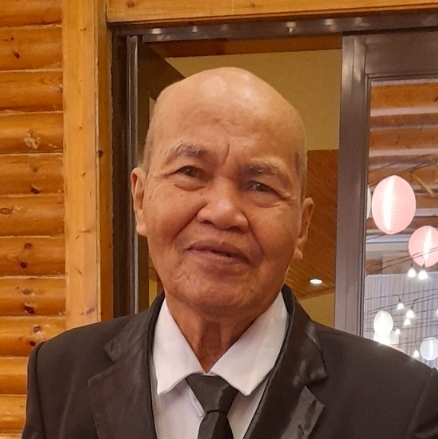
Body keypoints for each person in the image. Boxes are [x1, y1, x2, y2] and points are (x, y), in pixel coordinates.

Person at [23, 67, 438, 439]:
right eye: (190, 172)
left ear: (302, 226)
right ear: (141, 199)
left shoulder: (400, 405)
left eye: (260, 185)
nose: (223, 212)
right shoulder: (59, 376)